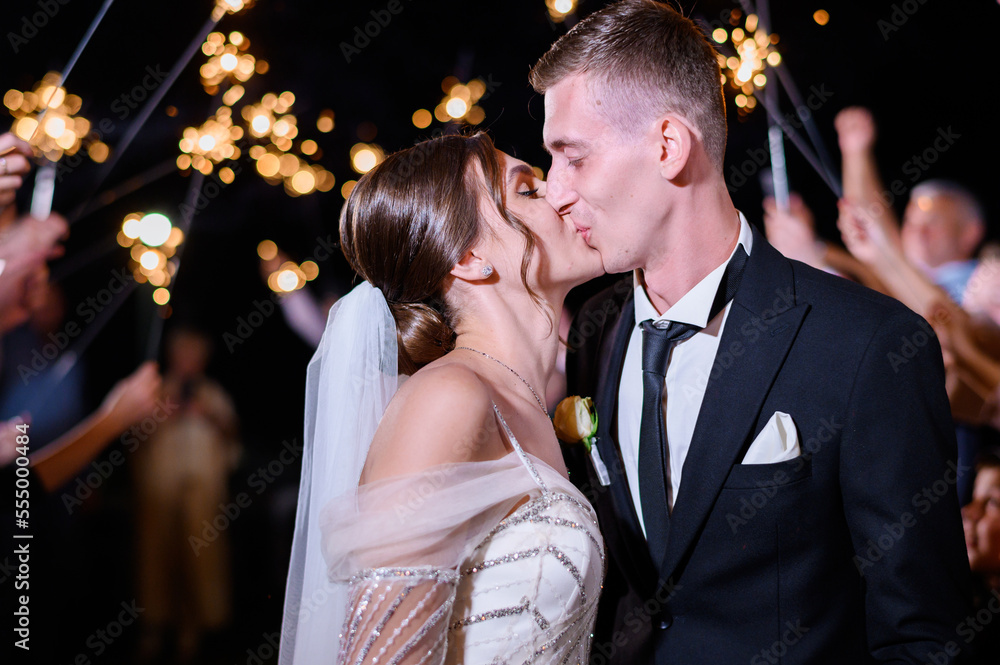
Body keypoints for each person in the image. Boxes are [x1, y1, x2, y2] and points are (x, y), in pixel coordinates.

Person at [531, 1, 974, 663]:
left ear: (667, 146)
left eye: (573, 158)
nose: (554, 190)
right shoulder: (596, 337)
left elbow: (923, 636)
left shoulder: (866, 345)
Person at [278, 132, 606, 664]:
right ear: (470, 258)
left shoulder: (522, 400)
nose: (563, 194)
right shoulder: (449, 397)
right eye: (528, 190)